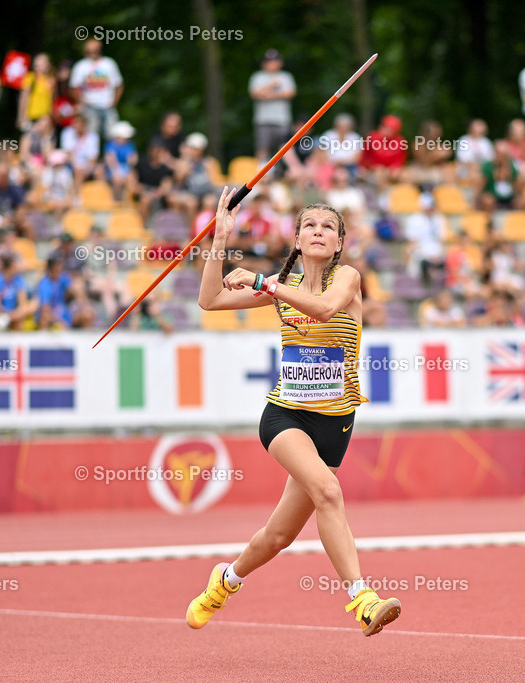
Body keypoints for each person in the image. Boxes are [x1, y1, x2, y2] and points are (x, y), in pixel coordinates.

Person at [188, 188, 402, 637]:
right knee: (328, 491)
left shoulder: (346, 278)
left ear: (339, 242)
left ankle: (225, 581)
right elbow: (210, 301)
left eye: (328, 227)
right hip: (286, 416)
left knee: (278, 536)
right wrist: (220, 240)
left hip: (335, 424)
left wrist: (265, 283)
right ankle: (362, 599)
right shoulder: (281, 288)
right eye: (309, 225)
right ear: (297, 239)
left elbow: (323, 309)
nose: (318, 231)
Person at [70, 39, 124, 143]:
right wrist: (82, 102)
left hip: (107, 106)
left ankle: (110, 154)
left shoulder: (109, 63)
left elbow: (119, 85)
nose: (93, 53)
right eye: (89, 51)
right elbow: (74, 87)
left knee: (113, 136)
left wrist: (114, 103)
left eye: (95, 50)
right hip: (90, 107)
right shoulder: (81, 66)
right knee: (91, 137)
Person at [249, 49, 296, 160]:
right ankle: (261, 169)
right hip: (263, 120)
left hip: (282, 119)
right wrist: (271, 85)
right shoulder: (257, 77)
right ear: (263, 63)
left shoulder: (286, 76)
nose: (272, 64)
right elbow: (254, 94)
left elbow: (291, 93)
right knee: (262, 148)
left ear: (280, 63)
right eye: (269, 61)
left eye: (275, 61)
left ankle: (285, 169)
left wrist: (270, 95)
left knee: (285, 148)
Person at [17, 53, 56, 132]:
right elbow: (24, 98)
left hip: (45, 117)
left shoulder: (50, 80)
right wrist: (21, 116)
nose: (38, 67)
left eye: (42, 64)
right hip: (31, 116)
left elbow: (53, 99)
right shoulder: (30, 78)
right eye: (37, 65)